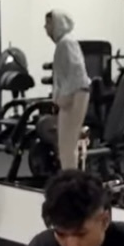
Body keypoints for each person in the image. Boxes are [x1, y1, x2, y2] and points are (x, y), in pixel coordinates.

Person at [45, 10, 90, 171]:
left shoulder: (66, 43)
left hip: (74, 96)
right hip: (74, 95)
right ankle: (70, 176)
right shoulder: (64, 43)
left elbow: (77, 72)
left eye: (48, 23)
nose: (45, 28)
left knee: (67, 145)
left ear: (57, 24)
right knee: (67, 145)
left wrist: (65, 96)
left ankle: (70, 178)